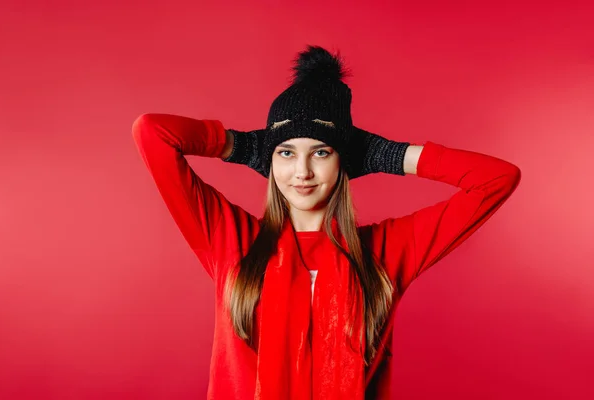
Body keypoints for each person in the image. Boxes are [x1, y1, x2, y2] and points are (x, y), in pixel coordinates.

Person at [131, 45, 521, 400]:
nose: (301, 172)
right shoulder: (230, 239)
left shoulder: (387, 251)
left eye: (320, 152)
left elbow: (496, 179)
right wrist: (242, 146)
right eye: (285, 153)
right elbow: (153, 133)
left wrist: (385, 154)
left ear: (343, 160)